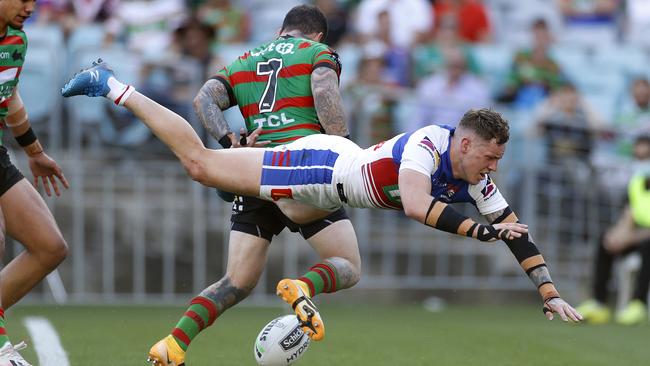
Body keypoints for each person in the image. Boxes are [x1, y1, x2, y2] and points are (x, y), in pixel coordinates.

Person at [62, 64, 585, 327]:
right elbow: (418, 206)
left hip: (333, 185)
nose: (494, 168)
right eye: (490, 157)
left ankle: (285, 264)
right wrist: (483, 229)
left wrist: (549, 292)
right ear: (466, 143)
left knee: (348, 266)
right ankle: (113, 85)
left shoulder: (474, 176)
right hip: (319, 167)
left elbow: (517, 230)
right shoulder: (428, 144)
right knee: (202, 165)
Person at [135, 5, 359, 365]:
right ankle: (304, 286)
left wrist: (230, 145)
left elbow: (203, 99)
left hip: (253, 171)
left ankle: (173, 344)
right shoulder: (319, 53)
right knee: (347, 264)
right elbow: (323, 92)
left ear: (282, 31)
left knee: (236, 281)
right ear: (318, 35)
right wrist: (346, 149)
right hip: (300, 170)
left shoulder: (246, 58)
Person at [0, 0, 70, 364]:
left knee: (49, 247)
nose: (30, 7)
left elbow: (7, 94)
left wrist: (34, 150)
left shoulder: (16, 39)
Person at [576, 134, 650, 325]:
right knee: (606, 240)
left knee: (647, 246)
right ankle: (599, 303)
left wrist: (630, 238)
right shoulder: (638, 181)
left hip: (644, 238)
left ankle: (638, 303)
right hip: (640, 234)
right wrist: (618, 235)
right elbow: (630, 211)